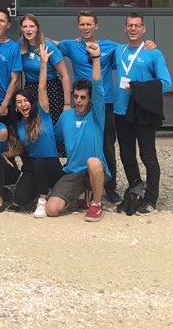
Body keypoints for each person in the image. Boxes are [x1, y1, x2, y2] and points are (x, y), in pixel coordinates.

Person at [57, 10, 121, 203]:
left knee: (107, 147)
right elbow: (50, 43)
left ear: (96, 26)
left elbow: (129, 51)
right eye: (82, 24)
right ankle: (83, 183)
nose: (85, 27)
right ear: (78, 26)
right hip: (82, 103)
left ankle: (110, 187)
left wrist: (149, 46)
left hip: (104, 104)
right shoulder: (72, 45)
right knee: (81, 143)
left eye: (89, 24)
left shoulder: (109, 46)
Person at [114, 13, 172, 214]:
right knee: (126, 154)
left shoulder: (153, 53)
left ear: (143, 28)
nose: (133, 29)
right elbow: (96, 49)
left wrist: (139, 88)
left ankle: (151, 199)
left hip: (142, 112)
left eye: (137, 26)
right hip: (121, 110)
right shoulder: (118, 51)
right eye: (130, 25)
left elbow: (166, 83)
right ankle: (135, 189)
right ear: (125, 28)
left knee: (148, 156)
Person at [46, 42, 109, 221]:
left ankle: (96, 204)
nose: (79, 100)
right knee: (51, 210)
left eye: (83, 97)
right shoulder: (66, 117)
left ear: (90, 99)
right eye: (76, 96)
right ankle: (80, 195)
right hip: (72, 172)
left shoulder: (96, 114)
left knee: (93, 162)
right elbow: (53, 139)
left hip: (93, 172)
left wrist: (96, 58)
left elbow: (97, 85)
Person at [11, 49, 63, 218]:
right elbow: (20, 149)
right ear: (16, 107)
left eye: (25, 100)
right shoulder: (19, 125)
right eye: (19, 102)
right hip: (33, 166)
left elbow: (42, 87)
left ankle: (42, 201)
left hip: (52, 164)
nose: (23, 104)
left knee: (40, 163)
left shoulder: (43, 114)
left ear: (31, 103)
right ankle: (42, 188)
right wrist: (6, 154)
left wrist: (43, 63)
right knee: (20, 199)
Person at [18, 14, 70, 152]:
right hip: (30, 88)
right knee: (33, 125)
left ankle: (55, 158)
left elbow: (64, 76)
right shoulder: (20, 44)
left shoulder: (48, 46)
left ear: (37, 28)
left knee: (52, 126)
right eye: (25, 26)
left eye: (31, 26)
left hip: (51, 89)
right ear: (21, 29)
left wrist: (67, 104)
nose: (28, 30)